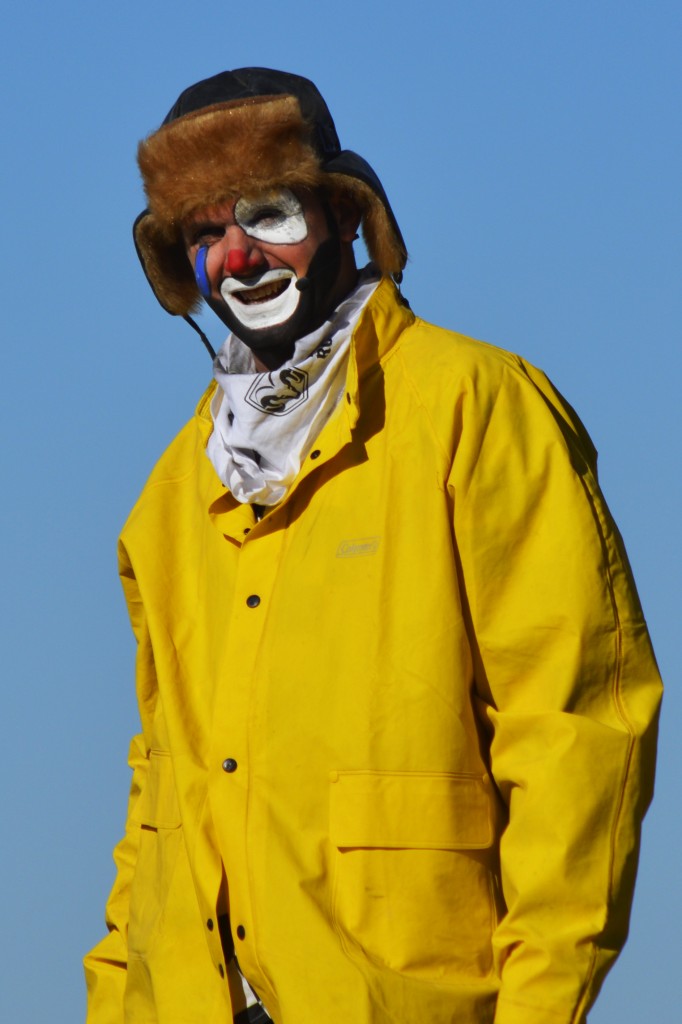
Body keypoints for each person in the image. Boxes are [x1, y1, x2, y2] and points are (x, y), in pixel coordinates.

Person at [84, 68, 662, 1024]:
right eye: (203, 233)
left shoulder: (475, 406)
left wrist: (541, 1006)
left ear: (345, 216)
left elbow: (578, 732)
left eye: (267, 214)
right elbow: (158, 799)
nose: (238, 258)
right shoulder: (171, 495)